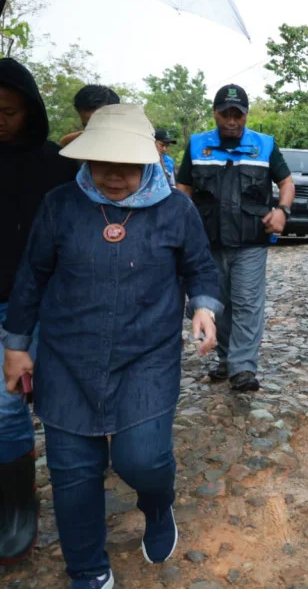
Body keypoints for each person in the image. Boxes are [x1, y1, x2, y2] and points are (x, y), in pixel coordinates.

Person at [2, 104, 222, 589]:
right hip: (67, 355)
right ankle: (87, 570)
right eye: (104, 163)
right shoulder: (60, 204)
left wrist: (204, 308)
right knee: (73, 471)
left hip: (146, 355)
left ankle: (157, 505)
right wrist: (16, 345)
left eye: (127, 165)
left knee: (142, 459)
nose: (115, 176)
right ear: (87, 158)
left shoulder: (176, 209)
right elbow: (32, 276)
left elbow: (200, 268)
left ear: (148, 161)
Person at [0, 58, 80, 564]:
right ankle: (14, 499)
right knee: (5, 405)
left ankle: (31, 499)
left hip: (43, 304)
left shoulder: (57, 165)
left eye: (8, 111)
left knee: (37, 399)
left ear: (30, 110)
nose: (0, 121)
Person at [176, 84, 295, 393]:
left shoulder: (264, 145)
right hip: (207, 242)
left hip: (250, 241)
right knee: (218, 303)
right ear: (214, 113)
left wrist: (282, 210)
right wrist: (181, 225)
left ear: (246, 115)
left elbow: (286, 182)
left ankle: (243, 367)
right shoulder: (197, 145)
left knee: (246, 303)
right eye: (225, 114)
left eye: (237, 115)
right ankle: (227, 359)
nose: (231, 121)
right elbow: (183, 188)